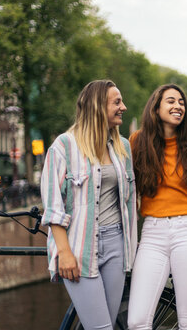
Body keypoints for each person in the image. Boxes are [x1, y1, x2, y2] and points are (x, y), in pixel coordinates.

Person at [40, 80, 138, 330]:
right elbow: (53, 207)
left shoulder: (122, 147)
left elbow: (128, 201)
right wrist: (64, 253)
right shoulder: (63, 146)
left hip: (117, 245)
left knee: (106, 324)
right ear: (97, 106)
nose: (123, 107)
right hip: (79, 248)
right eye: (117, 102)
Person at [127, 84, 187, 330]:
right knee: (137, 320)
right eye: (171, 101)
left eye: (181, 102)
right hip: (152, 232)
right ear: (156, 107)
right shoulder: (137, 142)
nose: (178, 106)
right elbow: (126, 188)